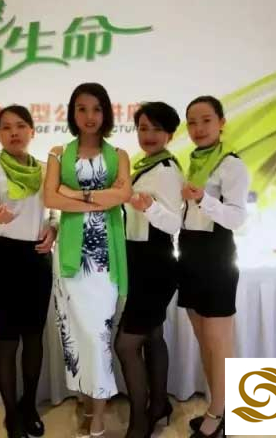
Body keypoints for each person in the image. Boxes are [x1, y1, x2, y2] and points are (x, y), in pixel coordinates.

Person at [44, 83, 131, 437]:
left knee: (97, 335)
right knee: (75, 335)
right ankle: (86, 400)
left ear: (106, 113)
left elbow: (122, 195)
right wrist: (97, 197)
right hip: (70, 257)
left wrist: (75, 194)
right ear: (72, 113)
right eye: (82, 109)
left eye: (96, 109)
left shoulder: (119, 155)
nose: (89, 116)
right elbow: (51, 198)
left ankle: (99, 413)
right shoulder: (57, 153)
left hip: (104, 258)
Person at [0, 105, 57, 438]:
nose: (14, 132)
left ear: (32, 131)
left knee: (34, 337)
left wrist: (53, 228)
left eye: (21, 126)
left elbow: (53, 211)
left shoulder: (44, 170)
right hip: (5, 259)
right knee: (7, 340)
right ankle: (11, 413)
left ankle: (29, 406)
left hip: (38, 258)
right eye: (7, 127)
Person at [178, 96, 250, 438]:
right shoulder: (193, 162)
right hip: (190, 253)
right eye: (192, 122)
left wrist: (202, 199)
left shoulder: (231, 164)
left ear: (221, 122)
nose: (199, 128)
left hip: (217, 256)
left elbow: (236, 218)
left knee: (218, 341)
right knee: (203, 339)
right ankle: (219, 407)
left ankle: (219, 413)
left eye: (206, 120)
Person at [115, 102, 184, 438]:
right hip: (141, 260)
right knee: (153, 336)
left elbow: (174, 223)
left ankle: (140, 421)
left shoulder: (166, 170)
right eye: (143, 128)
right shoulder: (145, 164)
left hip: (154, 263)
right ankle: (158, 405)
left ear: (170, 133)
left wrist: (150, 207)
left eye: (157, 128)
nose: (149, 135)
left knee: (126, 345)